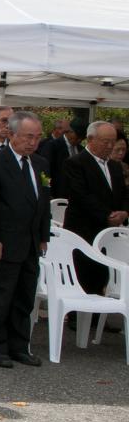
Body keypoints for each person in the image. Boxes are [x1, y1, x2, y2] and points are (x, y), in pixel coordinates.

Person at [0, 110, 50, 368]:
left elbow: (43, 203)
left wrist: (42, 235)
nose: (33, 142)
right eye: (28, 137)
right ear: (13, 134)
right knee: (0, 296)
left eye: (37, 137)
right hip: (3, 241)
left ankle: (20, 346)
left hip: (29, 241)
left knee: (25, 297)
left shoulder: (39, 163)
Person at [61, 121, 128, 298]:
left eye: (112, 142)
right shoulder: (76, 163)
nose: (109, 146)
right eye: (105, 141)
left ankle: (99, 317)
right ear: (91, 140)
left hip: (107, 230)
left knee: (104, 272)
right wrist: (106, 215)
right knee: (84, 271)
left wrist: (124, 212)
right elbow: (81, 194)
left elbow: (123, 193)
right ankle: (78, 315)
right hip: (84, 227)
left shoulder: (114, 166)